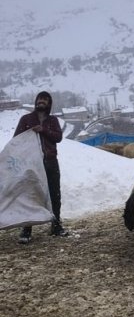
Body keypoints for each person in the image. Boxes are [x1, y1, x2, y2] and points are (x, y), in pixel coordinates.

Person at [14, 91, 68, 243]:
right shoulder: (26, 119)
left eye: (45, 99)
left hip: (50, 162)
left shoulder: (53, 120)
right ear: (35, 102)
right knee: (30, 195)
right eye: (39, 99)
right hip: (32, 164)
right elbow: (17, 140)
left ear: (49, 103)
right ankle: (27, 229)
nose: (41, 101)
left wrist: (43, 130)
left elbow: (58, 137)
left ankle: (56, 225)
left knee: (54, 194)